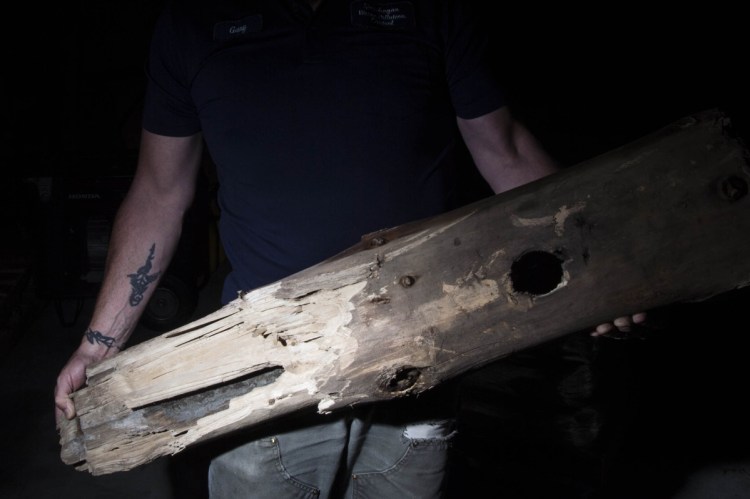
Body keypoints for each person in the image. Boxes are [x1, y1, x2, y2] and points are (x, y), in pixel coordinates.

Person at [54, 0, 645, 497]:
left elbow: (506, 150)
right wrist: (98, 343)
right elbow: (159, 191)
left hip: (424, 346)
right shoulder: (193, 21)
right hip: (263, 365)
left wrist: (598, 258)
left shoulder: (429, 7)